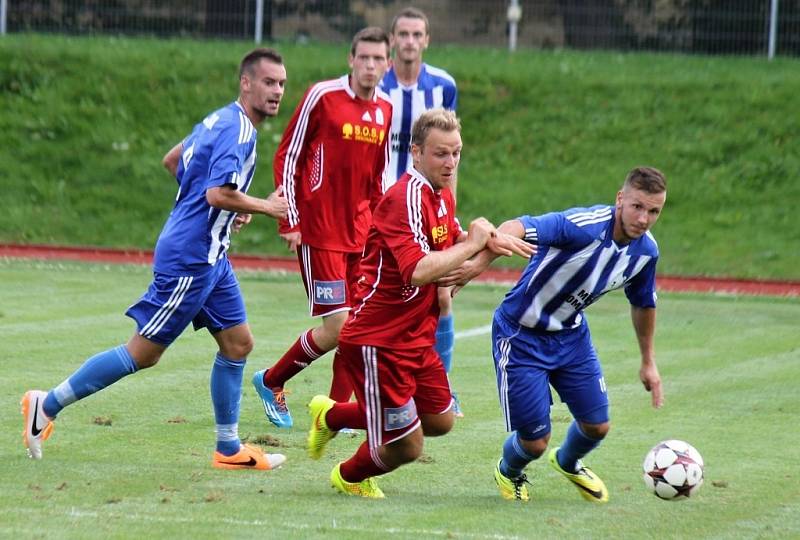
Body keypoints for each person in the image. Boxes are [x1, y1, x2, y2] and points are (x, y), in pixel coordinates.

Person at [21, 48, 290, 471]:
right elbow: (216, 192)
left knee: (239, 343)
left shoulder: (218, 119)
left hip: (210, 256)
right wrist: (263, 207)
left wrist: (223, 210)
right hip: (191, 258)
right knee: (144, 353)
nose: (276, 92)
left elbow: (173, 160)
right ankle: (46, 404)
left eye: (281, 84)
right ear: (246, 83)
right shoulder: (239, 130)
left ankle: (228, 448)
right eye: (269, 82)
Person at [303, 109, 534, 498]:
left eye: (456, 152)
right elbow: (419, 271)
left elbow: (457, 245)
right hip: (379, 340)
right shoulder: (403, 198)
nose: (451, 162)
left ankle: (332, 414)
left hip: (415, 335)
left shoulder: (439, 196)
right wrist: (477, 243)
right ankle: (348, 475)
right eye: (441, 154)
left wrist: (488, 245)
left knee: (440, 420)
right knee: (407, 446)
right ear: (415, 152)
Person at [446, 166, 667, 503]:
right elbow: (515, 227)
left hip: (571, 336)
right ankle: (509, 471)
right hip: (520, 334)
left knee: (597, 426)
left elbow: (643, 303)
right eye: (637, 206)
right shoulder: (583, 227)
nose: (644, 218)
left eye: (654, 211)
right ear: (620, 199)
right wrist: (479, 263)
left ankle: (568, 462)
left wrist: (648, 361)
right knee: (534, 441)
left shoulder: (646, 252)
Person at [251, 27, 393, 429]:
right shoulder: (323, 96)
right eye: (363, 57)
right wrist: (289, 219)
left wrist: (383, 230)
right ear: (350, 59)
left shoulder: (385, 108)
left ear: (387, 63)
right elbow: (288, 156)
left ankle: (331, 414)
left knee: (358, 328)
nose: (369, 65)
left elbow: (377, 177)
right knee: (340, 327)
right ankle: (271, 380)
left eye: (377, 59)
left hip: (361, 235)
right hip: (320, 231)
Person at [379, 7, 464, 416]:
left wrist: (450, 206)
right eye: (404, 34)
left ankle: (440, 392)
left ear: (427, 39)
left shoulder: (443, 84)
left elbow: (451, 151)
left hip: (431, 205)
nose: (410, 41)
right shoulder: (376, 83)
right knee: (377, 302)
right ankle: (359, 398)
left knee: (441, 295)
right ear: (393, 40)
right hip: (386, 208)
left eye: (418, 34)